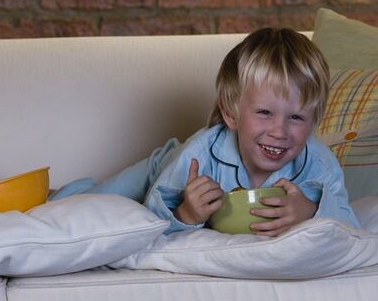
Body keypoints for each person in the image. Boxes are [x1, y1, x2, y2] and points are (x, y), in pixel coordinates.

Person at [51, 27, 358, 236]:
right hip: (165, 165)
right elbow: (151, 217)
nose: (279, 131)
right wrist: (185, 214)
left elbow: (352, 226)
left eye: (296, 117)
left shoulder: (318, 165)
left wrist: (312, 211)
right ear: (231, 113)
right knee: (93, 203)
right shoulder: (197, 156)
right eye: (264, 113)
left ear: (315, 119)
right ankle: (53, 195)